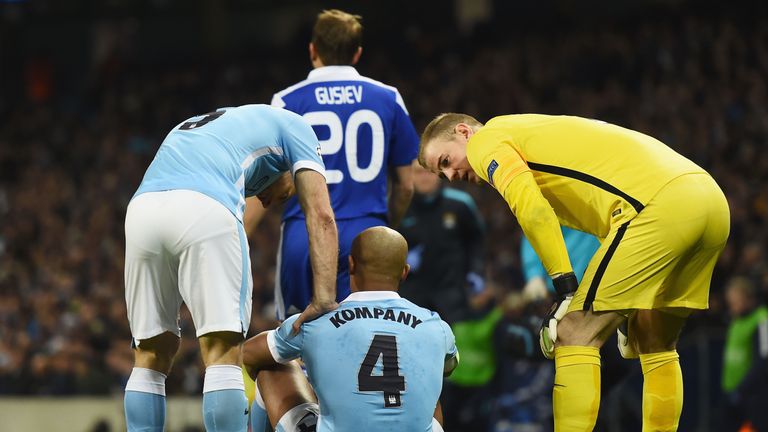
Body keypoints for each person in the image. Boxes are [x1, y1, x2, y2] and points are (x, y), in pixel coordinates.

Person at [418, 113, 730, 431]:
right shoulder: (533, 134)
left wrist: (565, 285)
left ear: (463, 132)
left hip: (658, 207)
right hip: (709, 202)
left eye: (445, 160)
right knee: (655, 341)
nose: (450, 175)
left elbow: (530, 206)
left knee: (573, 332)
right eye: (442, 174)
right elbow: (605, 217)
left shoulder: (487, 139)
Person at [123, 104, 338, 432]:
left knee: (150, 354)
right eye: (280, 196)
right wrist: (324, 297)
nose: (265, 201)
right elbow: (320, 214)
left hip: (141, 211)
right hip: (205, 207)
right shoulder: (296, 126)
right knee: (222, 352)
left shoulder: (200, 123)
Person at [270, 9, 419, 320]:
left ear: (312, 49)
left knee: (294, 344)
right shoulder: (388, 97)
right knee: (365, 337)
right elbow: (406, 184)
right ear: (358, 53)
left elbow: (272, 180)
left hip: (305, 232)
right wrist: (386, 222)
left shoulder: (286, 101)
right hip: (368, 232)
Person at [242, 227, 458, 432]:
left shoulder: (316, 321)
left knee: (272, 365)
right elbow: (447, 368)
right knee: (428, 387)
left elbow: (247, 355)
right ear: (404, 272)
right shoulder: (436, 326)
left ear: (351, 264)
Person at [720, 277, 768, 432]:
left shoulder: (761, 319)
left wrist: (743, 389)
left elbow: (763, 358)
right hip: (731, 390)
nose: (732, 307)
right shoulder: (736, 320)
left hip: (752, 396)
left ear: (748, 299)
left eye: (735, 302)